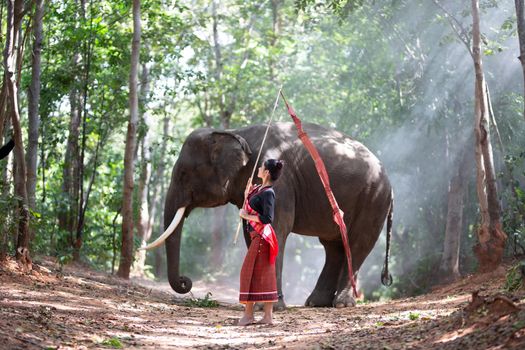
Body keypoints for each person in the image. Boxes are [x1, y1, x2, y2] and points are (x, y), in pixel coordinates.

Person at [238, 158, 284, 326]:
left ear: (266, 173)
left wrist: (246, 216)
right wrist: (247, 194)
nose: (258, 168)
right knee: (262, 275)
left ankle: (249, 315)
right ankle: (267, 317)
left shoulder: (268, 193)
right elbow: (251, 204)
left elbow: (267, 218)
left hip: (262, 238)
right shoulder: (258, 189)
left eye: (261, 167)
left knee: (248, 272)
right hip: (256, 237)